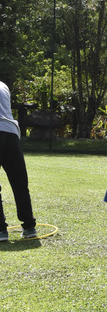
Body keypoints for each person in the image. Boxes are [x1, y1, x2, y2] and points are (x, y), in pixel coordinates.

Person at [0, 80, 37, 241]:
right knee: (20, 183)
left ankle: (1, 230)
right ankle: (29, 227)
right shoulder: (3, 86)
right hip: (11, 133)